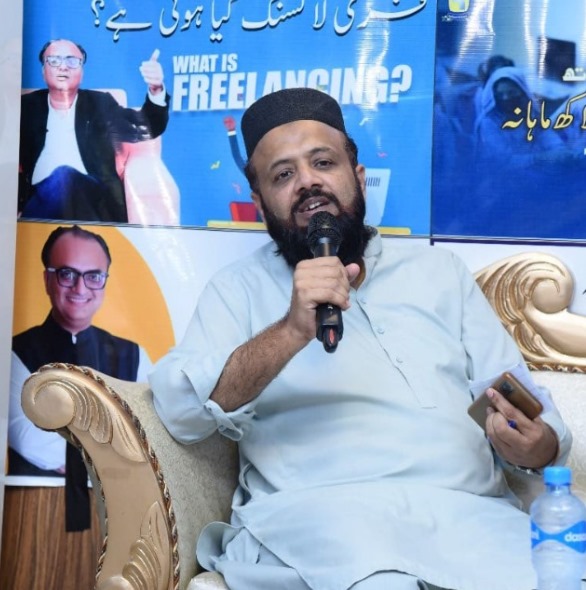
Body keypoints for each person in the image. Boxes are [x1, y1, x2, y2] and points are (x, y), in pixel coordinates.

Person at [149, 88, 573, 590]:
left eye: (323, 162)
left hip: (468, 521)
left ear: (358, 175)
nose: (308, 182)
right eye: (283, 175)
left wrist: (536, 446)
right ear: (260, 202)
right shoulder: (236, 290)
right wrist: (290, 331)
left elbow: (520, 406)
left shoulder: (439, 272)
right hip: (321, 523)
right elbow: (182, 412)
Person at [9, 225, 152, 528]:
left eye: (93, 276)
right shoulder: (13, 352)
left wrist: (81, 455)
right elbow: (24, 436)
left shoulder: (134, 354)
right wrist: (112, 453)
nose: (80, 288)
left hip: (123, 514)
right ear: (47, 279)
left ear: (105, 281)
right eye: (67, 274)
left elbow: (147, 435)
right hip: (37, 511)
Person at [18, 38, 170, 223]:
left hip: (92, 196)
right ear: (43, 71)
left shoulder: (100, 105)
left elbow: (145, 128)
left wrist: (156, 89)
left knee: (64, 176)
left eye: (72, 61)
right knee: (57, 183)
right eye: (54, 60)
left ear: (81, 73)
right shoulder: (26, 107)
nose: (63, 67)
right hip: (38, 196)